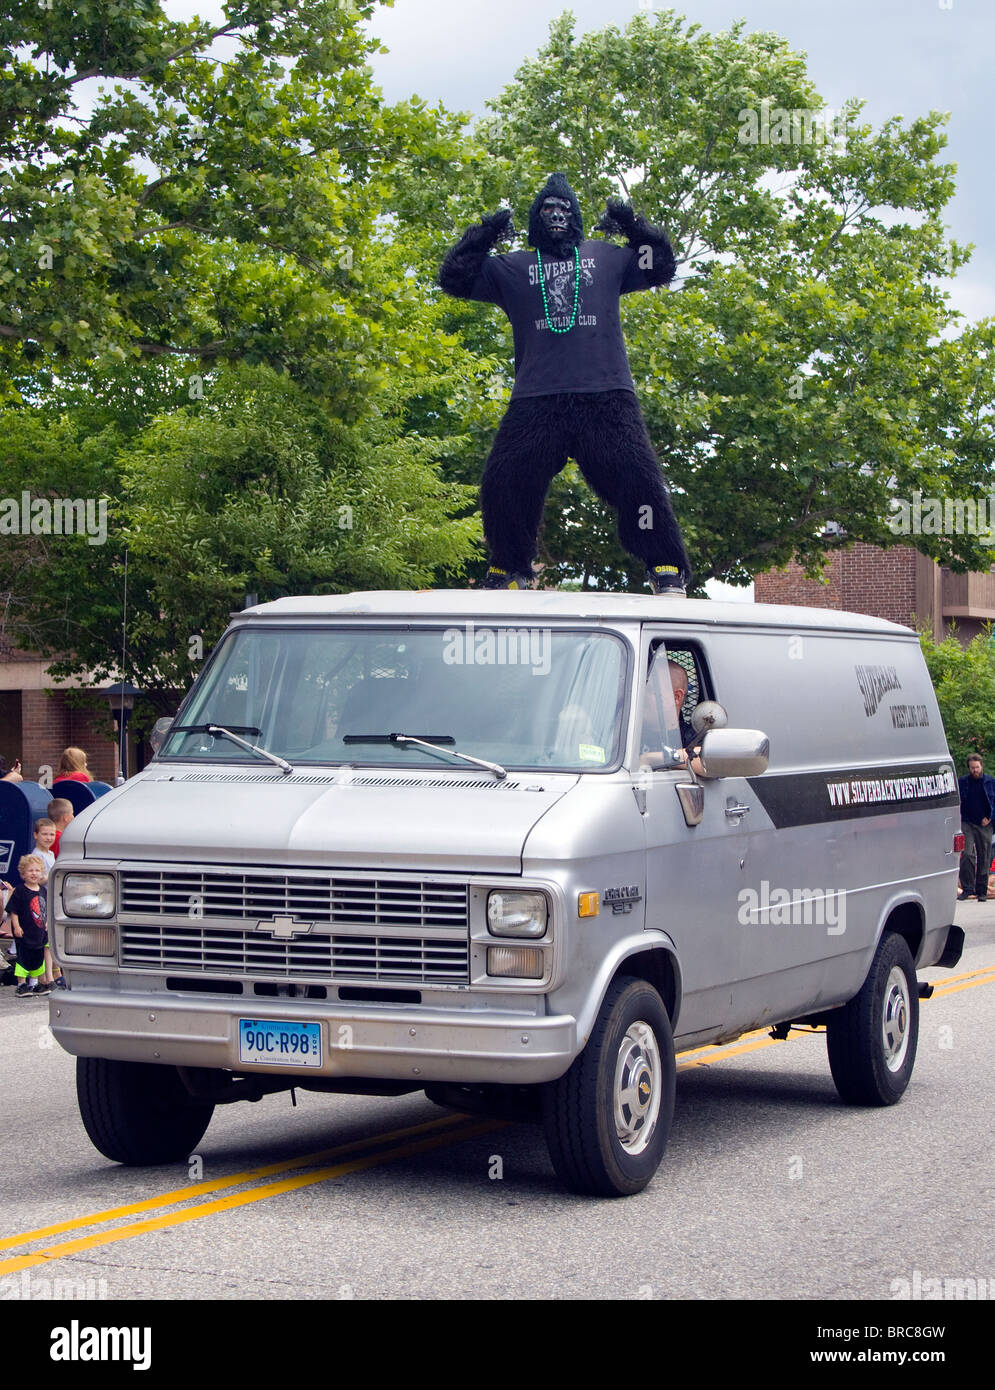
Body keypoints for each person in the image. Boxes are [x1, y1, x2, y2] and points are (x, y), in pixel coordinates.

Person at [6, 854, 50, 998]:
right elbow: (14, 911)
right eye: (30, 870)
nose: (34, 873)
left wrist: (48, 923)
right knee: (23, 958)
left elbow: (46, 910)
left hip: (39, 933)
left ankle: (34, 983)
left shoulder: (43, 891)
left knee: (37, 958)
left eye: (37, 870)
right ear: (23, 873)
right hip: (24, 933)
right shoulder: (20, 891)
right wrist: (16, 927)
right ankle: (21, 984)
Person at [957, 754, 995, 901]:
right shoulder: (963, 782)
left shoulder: (990, 782)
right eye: (972, 768)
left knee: (984, 856)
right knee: (967, 854)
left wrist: (990, 817)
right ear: (969, 768)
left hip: (984, 823)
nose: (975, 770)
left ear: (981, 766)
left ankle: (982, 891)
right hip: (967, 822)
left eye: (977, 767)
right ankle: (967, 888)